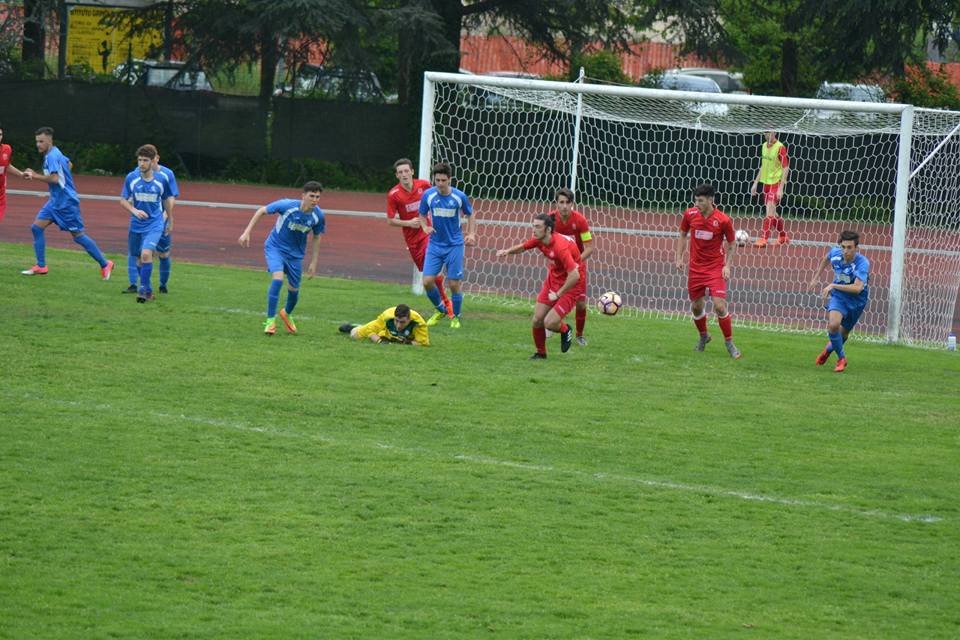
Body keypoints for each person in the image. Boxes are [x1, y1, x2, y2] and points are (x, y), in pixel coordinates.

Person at [20, 127, 114, 279]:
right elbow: (69, 164)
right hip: (54, 202)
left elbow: (55, 179)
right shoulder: (55, 153)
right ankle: (41, 266)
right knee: (36, 228)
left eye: (41, 141)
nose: (38, 144)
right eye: (37, 141)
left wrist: (34, 175)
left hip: (66, 203)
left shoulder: (51, 156)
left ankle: (105, 264)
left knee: (78, 236)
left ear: (50, 141)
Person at [238, 181, 325, 335]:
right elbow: (261, 211)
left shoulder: (318, 216)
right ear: (303, 196)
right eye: (311, 196)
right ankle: (270, 321)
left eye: (317, 197)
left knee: (294, 290)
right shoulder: (287, 205)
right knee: (277, 279)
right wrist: (247, 232)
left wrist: (313, 262)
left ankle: (286, 313)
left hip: (296, 255)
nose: (315, 200)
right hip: (275, 248)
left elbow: (317, 237)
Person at [496, 213, 582, 359]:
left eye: (537, 227)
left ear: (548, 229)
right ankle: (541, 353)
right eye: (533, 226)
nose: (534, 230)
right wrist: (507, 251)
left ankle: (565, 329)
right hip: (553, 279)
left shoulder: (560, 247)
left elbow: (575, 275)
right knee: (537, 319)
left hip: (571, 285)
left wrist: (558, 294)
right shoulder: (539, 240)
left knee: (549, 323)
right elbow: (523, 247)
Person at [675, 183, 741, 359]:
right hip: (696, 268)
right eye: (695, 200)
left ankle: (729, 343)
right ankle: (704, 336)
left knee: (720, 306)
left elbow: (732, 243)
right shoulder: (690, 214)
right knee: (696, 307)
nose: (697, 204)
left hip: (715, 268)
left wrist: (727, 265)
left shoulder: (723, 220)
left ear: (711, 200)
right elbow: (682, 234)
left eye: (701, 201)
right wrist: (679, 257)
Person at [386, 158, 451, 315]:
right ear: (397, 175)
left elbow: (439, 195)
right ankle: (441, 308)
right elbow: (390, 220)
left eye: (406, 171)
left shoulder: (423, 185)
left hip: (427, 233)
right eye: (400, 172)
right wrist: (408, 223)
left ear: (412, 172)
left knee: (435, 271)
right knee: (430, 276)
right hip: (412, 240)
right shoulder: (394, 194)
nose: (404, 174)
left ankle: (447, 303)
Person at [418, 161, 477, 329]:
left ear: (449, 180)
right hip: (435, 245)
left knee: (453, 284)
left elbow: (471, 214)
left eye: (443, 180)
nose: (440, 184)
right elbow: (422, 214)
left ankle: (456, 317)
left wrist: (471, 233)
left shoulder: (459, 197)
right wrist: (425, 227)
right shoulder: (428, 196)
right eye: (437, 180)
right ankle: (441, 310)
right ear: (434, 179)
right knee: (427, 281)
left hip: (454, 245)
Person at [808, 230, 869, 372]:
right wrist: (817, 277)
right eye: (843, 247)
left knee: (843, 334)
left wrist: (833, 285)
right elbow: (826, 258)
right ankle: (842, 359)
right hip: (839, 297)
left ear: (856, 248)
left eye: (849, 248)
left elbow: (858, 288)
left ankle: (828, 350)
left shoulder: (862, 263)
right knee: (833, 325)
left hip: (857, 300)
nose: (845, 251)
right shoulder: (836, 253)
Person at [120, 145, 173, 302]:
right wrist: (134, 210)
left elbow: (166, 200)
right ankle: (148, 289)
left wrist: (170, 219)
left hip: (155, 224)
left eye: (145, 160)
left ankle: (142, 291)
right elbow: (123, 199)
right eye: (139, 160)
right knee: (138, 258)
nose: (141, 163)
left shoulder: (162, 179)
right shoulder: (131, 178)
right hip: (136, 225)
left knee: (146, 254)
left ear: (152, 162)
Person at [549, 187, 595, 346]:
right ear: (556, 203)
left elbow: (589, 247)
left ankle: (579, 335)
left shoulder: (580, 221)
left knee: (581, 303)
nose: (564, 206)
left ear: (572, 204)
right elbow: (542, 241)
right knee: (554, 296)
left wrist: (575, 262)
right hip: (557, 267)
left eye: (568, 202)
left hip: (577, 267)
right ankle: (552, 324)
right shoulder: (550, 220)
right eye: (561, 202)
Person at [750, 130, 790, 247]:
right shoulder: (763, 146)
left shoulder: (780, 147)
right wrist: (755, 183)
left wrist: (781, 188)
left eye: (770, 132)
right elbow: (763, 165)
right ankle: (783, 236)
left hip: (776, 183)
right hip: (766, 184)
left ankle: (764, 239)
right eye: (766, 132)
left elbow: (786, 168)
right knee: (773, 211)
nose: (768, 134)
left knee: (769, 211)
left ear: (775, 133)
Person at [338, 303, 430, 346]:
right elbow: (371, 331)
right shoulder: (387, 316)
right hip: (385, 333)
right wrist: (380, 342)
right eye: (396, 321)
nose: (398, 325)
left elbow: (422, 343)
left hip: (391, 336)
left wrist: (405, 343)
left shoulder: (419, 323)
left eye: (402, 322)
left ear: (409, 319)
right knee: (354, 335)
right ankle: (353, 328)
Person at [0, 123, 27, 223]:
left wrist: (21, 174)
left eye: (0, 134)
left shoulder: (7, 149)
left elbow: (7, 166)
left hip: (1, 194)